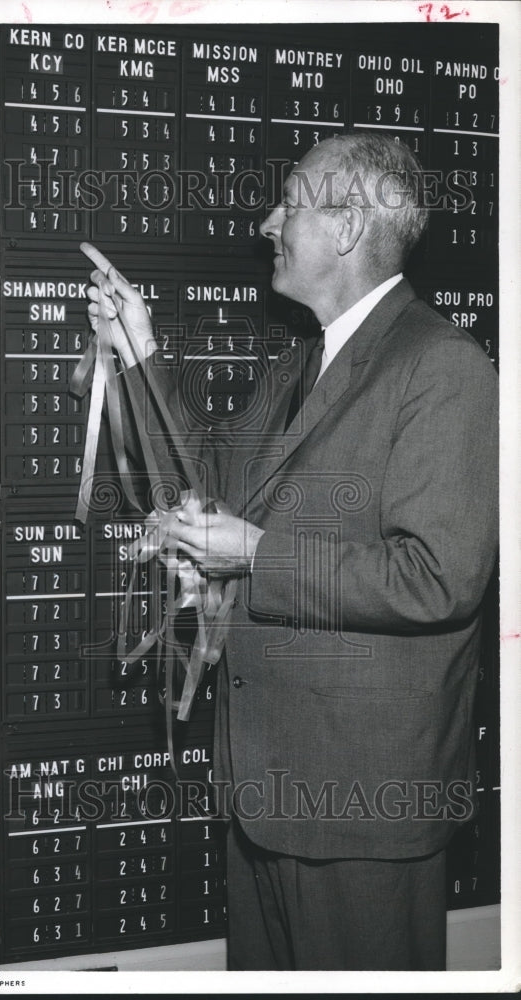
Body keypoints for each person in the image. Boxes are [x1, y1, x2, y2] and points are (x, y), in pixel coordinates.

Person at [82, 132, 498, 970]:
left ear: (346, 228)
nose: (267, 220)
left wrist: (257, 555)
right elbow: (203, 484)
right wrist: (139, 353)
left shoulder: (442, 368)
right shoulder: (298, 366)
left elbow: (438, 578)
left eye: (291, 202)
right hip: (267, 795)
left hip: (363, 812)